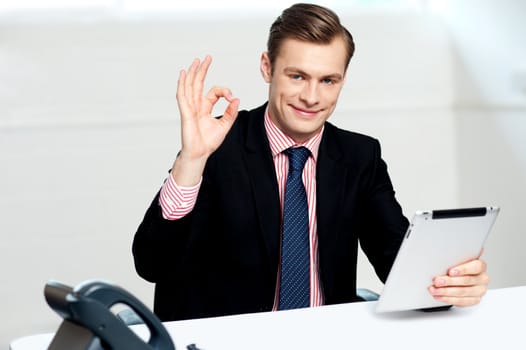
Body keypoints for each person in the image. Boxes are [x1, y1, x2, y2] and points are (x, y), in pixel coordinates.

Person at [133, 3, 489, 322]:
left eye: (328, 80)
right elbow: (152, 263)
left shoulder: (359, 156)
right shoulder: (219, 145)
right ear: (267, 67)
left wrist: (450, 285)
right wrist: (192, 160)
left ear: (342, 80)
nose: (311, 97)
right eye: (297, 76)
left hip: (325, 337)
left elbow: (398, 265)